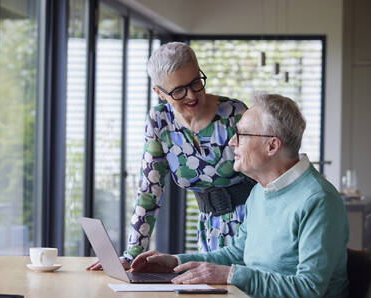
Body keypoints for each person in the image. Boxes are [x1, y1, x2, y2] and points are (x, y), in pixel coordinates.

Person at [130, 93, 349, 298]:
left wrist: (231, 275)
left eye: (242, 134)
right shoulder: (260, 191)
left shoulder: (318, 200)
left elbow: (309, 291)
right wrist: (174, 262)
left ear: (272, 145)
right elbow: (235, 255)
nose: (232, 141)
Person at [87, 42, 255, 270]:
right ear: (159, 92)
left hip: (252, 227)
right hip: (209, 230)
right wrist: (131, 254)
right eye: (178, 90)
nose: (192, 96)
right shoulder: (160, 122)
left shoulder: (234, 114)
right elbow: (149, 191)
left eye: (196, 83)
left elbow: (268, 174)